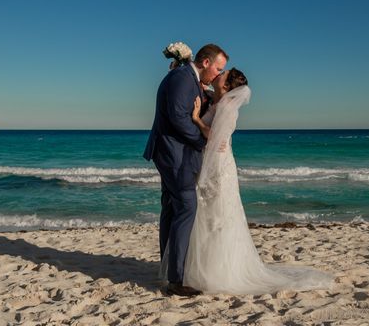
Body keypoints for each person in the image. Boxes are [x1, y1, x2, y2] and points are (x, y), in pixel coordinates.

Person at [181, 68, 335, 294]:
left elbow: (214, 136)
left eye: (223, 74)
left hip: (218, 167)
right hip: (214, 161)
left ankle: (218, 272)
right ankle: (204, 267)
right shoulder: (217, 101)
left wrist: (195, 119)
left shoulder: (226, 108)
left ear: (227, 86)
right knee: (212, 216)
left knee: (218, 216)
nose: (219, 73)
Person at [143, 44, 228, 296]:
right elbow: (179, 117)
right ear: (204, 63)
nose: (217, 75)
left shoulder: (190, 79)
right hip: (173, 155)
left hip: (174, 153)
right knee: (187, 207)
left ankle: (169, 269)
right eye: (217, 68)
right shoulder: (181, 78)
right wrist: (206, 141)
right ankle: (177, 280)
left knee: (171, 209)